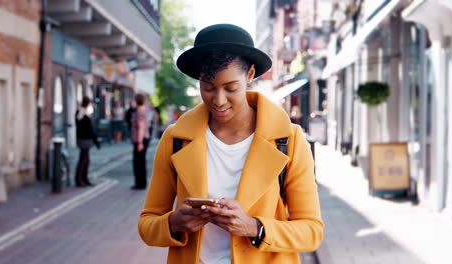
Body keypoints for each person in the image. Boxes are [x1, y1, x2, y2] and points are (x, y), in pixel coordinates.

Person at [138, 24, 323, 263]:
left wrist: (255, 228)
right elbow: (147, 224)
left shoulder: (288, 140)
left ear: (249, 75)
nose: (219, 100)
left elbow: (312, 231)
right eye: (208, 88)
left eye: (230, 88)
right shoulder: (175, 139)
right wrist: (174, 223)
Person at [75, 96, 100, 187]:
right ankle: (79, 180)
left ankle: (84, 179)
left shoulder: (81, 112)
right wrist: (96, 142)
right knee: (83, 160)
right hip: (84, 139)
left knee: (86, 160)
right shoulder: (83, 114)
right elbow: (90, 129)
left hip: (83, 139)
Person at [131, 94, 150, 190]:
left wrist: (139, 142)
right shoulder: (145, 110)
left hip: (140, 139)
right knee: (141, 161)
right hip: (144, 138)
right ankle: (142, 183)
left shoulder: (139, 111)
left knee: (138, 162)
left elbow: (140, 127)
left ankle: (140, 183)